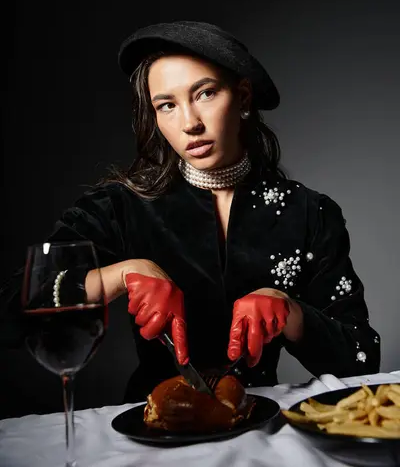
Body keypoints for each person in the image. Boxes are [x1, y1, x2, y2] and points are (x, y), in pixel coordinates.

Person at [1, 21, 380, 402]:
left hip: (262, 424)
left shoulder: (310, 213)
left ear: (244, 98)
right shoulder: (120, 206)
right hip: (154, 427)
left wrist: (291, 312)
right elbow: (9, 309)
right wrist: (120, 274)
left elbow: (362, 359)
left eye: (205, 94)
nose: (189, 123)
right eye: (167, 105)